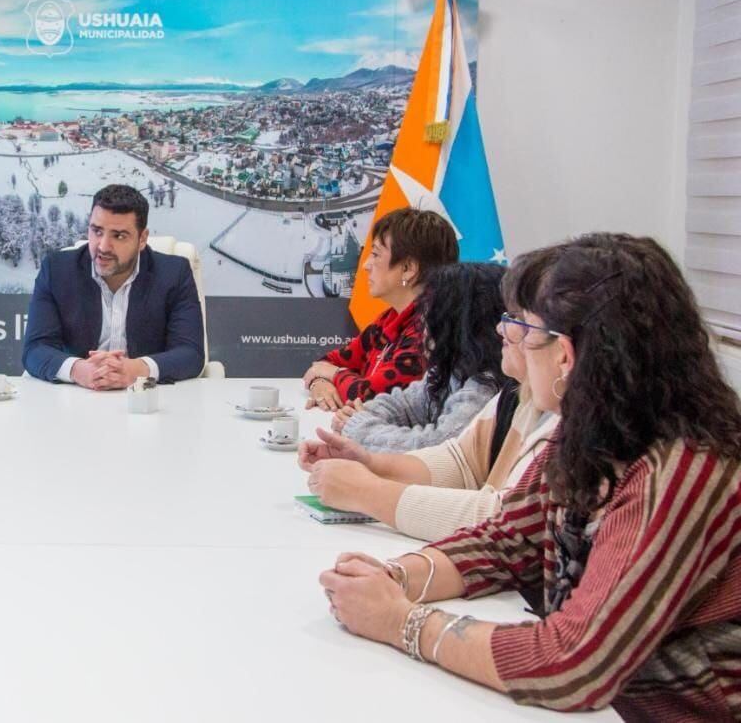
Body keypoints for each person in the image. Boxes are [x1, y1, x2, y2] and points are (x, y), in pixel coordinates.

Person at [318, 234, 741, 718]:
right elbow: (503, 542)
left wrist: (401, 621)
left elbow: (571, 662)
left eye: (522, 327)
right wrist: (395, 576)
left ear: (565, 354)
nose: (507, 337)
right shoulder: (591, 435)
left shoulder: (681, 472)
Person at [300, 247, 562, 541]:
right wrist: (367, 462)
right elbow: (460, 461)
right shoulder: (515, 397)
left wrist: (365, 489)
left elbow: (504, 521)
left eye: (519, 320)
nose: (502, 328)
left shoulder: (514, 400)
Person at [22, 184, 205, 389]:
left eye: (119, 236)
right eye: (97, 231)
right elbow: (35, 349)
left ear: (142, 239)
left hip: (146, 400)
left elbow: (191, 353)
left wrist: (136, 370)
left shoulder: (174, 273)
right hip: (77, 397)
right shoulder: (57, 270)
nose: (103, 246)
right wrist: (78, 370)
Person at [329, 262, 508, 451]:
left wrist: (359, 426)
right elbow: (403, 404)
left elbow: (437, 448)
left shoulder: (484, 389)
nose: (422, 322)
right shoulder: (453, 369)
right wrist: (358, 415)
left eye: (431, 312)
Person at [304, 208, 457, 411]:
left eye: (376, 255)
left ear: (408, 268)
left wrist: (332, 374)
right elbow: (326, 362)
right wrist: (319, 383)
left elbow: (371, 396)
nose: (366, 265)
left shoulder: (429, 331)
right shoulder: (390, 319)